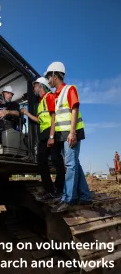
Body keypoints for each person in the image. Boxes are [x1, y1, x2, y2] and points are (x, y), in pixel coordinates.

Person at [44, 62, 91, 212]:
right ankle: (84, 197)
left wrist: (72, 132)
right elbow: (56, 119)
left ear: (55, 75)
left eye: (48, 77)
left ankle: (69, 198)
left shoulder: (69, 89)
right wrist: (54, 136)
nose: (47, 80)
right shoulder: (55, 96)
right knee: (74, 163)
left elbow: (74, 109)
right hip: (62, 134)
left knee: (70, 165)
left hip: (72, 132)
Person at [21, 77, 65, 201]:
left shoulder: (50, 96)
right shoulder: (41, 103)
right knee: (41, 161)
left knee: (57, 161)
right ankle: (50, 191)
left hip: (52, 133)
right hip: (43, 135)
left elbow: (53, 117)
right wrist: (27, 114)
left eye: (35, 86)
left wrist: (51, 136)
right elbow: (39, 120)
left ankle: (60, 189)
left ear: (41, 86)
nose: (34, 88)